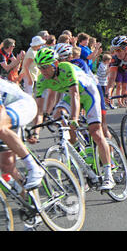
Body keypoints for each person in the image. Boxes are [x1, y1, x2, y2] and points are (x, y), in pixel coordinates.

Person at [30, 48, 116, 190]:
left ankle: (108, 175)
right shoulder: (42, 79)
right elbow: (39, 110)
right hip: (70, 96)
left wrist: (74, 119)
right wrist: (35, 133)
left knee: (95, 132)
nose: (43, 71)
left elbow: (75, 95)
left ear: (55, 64)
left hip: (88, 94)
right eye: (40, 68)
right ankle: (80, 154)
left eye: (45, 67)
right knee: (57, 115)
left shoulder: (66, 68)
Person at [0, 78, 44, 191]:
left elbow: (1, 112)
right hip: (8, 110)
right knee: (6, 164)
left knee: (1, 126)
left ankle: (33, 168)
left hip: (23, 104)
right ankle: (26, 197)